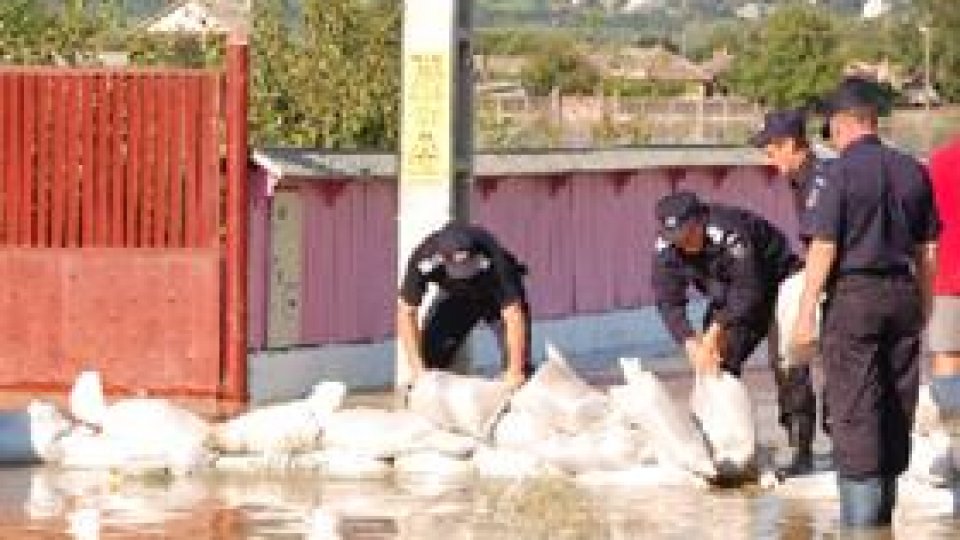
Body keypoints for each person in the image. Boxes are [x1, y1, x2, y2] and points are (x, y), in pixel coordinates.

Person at [791, 78, 940, 528]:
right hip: (903, 295)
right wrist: (925, 305)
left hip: (854, 298)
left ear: (842, 125)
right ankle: (885, 524)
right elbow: (927, 250)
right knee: (896, 407)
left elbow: (824, 248)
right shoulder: (913, 169)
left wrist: (803, 314)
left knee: (856, 414)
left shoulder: (838, 174)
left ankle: (861, 531)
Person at [651, 191, 816, 475]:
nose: (684, 243)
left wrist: (715, 331)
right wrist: (691, 343)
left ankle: (801, 449)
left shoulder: (730, 232)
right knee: (715, 364)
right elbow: (668, 301)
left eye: (689, 235)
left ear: (701, 220)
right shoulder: (666, 248)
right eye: (675, 237)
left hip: (779, 283)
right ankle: (724, 447)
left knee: (787, 363)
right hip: (728, 295)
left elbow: (749, 290)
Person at [749, 108, 830, 472]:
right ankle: (803, 438)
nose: (768, 160)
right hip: (829, 270)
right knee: (791, 353)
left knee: (791, 349)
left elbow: (824, 243)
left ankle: (804, 444)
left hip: (833, 273)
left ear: (789, 144)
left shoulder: (817, 178)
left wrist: (805, 306)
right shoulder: (804, 176)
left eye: (770, 151)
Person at [397, 222, 530, 389]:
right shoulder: (424, 258)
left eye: (467, 266)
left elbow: (513, 314)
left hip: (494, 295)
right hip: (456, 296)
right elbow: (406, 311)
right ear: (442, 258)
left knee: (517, 367)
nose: (464, 272)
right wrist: (417, 369)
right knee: (428, 360)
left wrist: (515, 371)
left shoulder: (492, 255)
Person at [927, 137, 960, 430]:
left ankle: (954, 438)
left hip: (947, 272)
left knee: (948, 354)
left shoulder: (939, 161)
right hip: (946, 273)